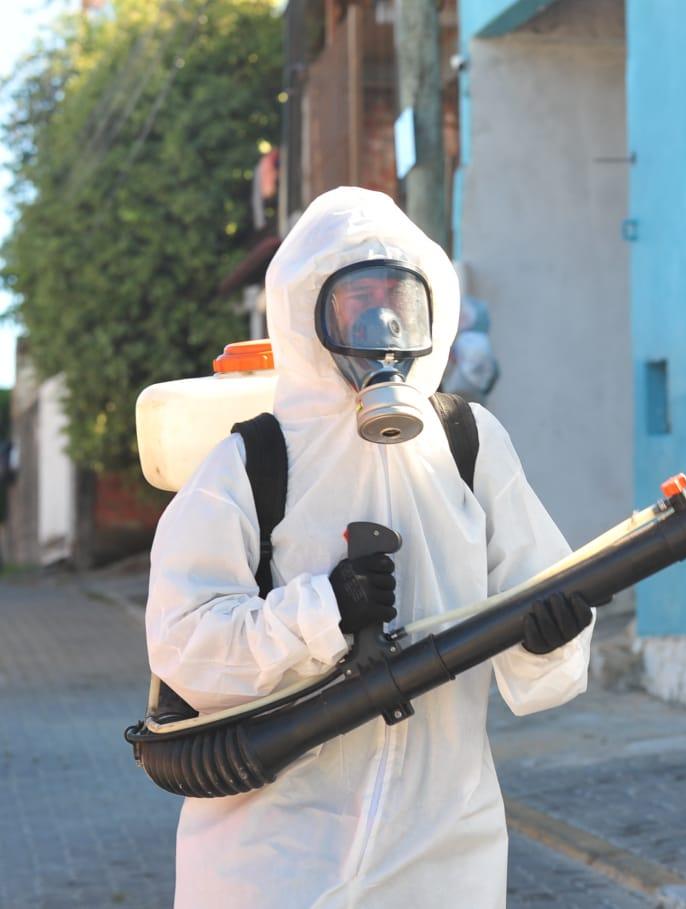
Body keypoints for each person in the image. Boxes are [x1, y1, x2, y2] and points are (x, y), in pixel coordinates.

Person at [144, 187, 593, 908]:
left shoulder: (468, 443)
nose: (381, 324)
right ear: (307, 315)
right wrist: (321, 611)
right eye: (358, 302)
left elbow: (539, 613)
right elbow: (184, 645)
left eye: (397, 301)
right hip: (274, 859)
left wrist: (550, 638)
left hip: (441, 852)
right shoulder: (251, 463)